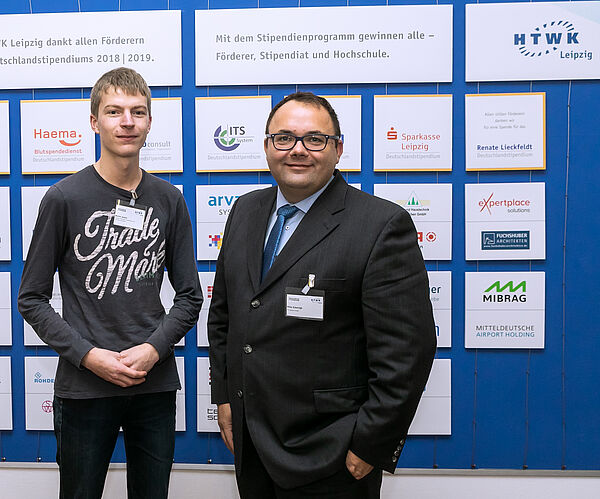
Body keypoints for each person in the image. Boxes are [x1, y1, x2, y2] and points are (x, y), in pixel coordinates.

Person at [208, 92, 436, 499]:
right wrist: (224, 399)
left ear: (338, 150)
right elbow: (225, 315)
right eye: (284, 138)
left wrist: (370, 444)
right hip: (251, 445)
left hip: (332, 454)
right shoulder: (244, 210)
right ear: (266, 146)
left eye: (314, 139)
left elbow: (407, 352)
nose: (297, 150)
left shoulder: (380, 225)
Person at [18, 67, 202, 499]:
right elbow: (31, 298)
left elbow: (191, 296)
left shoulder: (169, 200)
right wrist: (88, 355)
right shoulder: (64, 198)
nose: (127, 121)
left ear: (150, 122)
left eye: (138, 112)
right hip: (84, 387)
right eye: (114, 111)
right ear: (94, 121)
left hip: (152, 384)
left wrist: (154, 348)